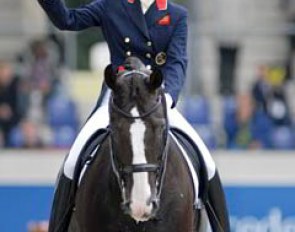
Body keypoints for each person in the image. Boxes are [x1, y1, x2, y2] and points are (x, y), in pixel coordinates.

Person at [37, 0, 230, 231]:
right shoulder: (111, 6)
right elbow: (67, 20)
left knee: (207, 163)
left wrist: (167, 98)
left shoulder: (176, 15)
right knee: (72, 161)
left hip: (156, 97)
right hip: (119, 95)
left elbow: (177, 63)